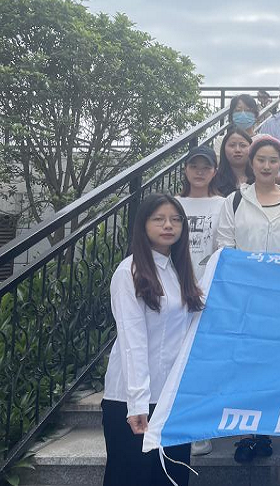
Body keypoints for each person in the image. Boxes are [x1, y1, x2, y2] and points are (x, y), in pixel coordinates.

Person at [102, 193, 204, 486]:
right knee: (131, 478)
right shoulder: (129, 272)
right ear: (143, 225)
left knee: (171, 477)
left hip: (171, 398)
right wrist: (137, 403)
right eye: (158, 219)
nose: (168, 225)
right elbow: (132, 342)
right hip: (132, 401)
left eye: (175, 219)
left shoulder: (179, 271)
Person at [216, 136, 280, 463]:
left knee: (272, 363)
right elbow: (225, 247)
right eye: (261, 160)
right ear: (251, 163)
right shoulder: (235, 201)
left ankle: (266, 429)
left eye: (273, 160)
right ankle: (245, 433)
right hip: (244, 298)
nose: (267, 166)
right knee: (244, 363)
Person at [174, 146, 224, 457]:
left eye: (206, 167)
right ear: (185, 170)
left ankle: (201, 428)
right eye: (194, 166)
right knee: (177, 360)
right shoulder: (173, 204)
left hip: (209, 290)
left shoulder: (224, 204)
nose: (200, 172)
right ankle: (179, 421)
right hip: (174, 290)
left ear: (215, 171)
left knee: (203, 360)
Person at [215, 129, 252, 197]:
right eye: (232, 145)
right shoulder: (214, 180)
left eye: (243, 145)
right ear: (223, 149)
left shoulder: (260, 178)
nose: (237, 150)